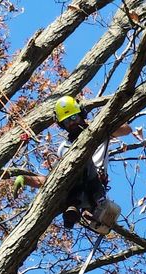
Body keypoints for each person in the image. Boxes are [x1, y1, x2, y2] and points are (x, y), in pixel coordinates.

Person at [14, 95, 131, 229]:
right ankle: (72, 210)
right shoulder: (63, 148)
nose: (71, 123)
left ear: (81, 114)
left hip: (95, 186)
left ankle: (91, 208)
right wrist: (25, 179)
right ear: (62, 125)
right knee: (70, 169)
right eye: (66, 121)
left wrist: (103, 125)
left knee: (83, 160)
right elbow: (51, 179)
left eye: (74, 117)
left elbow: (127, 130)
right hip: (73, 190)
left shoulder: (97, 131)